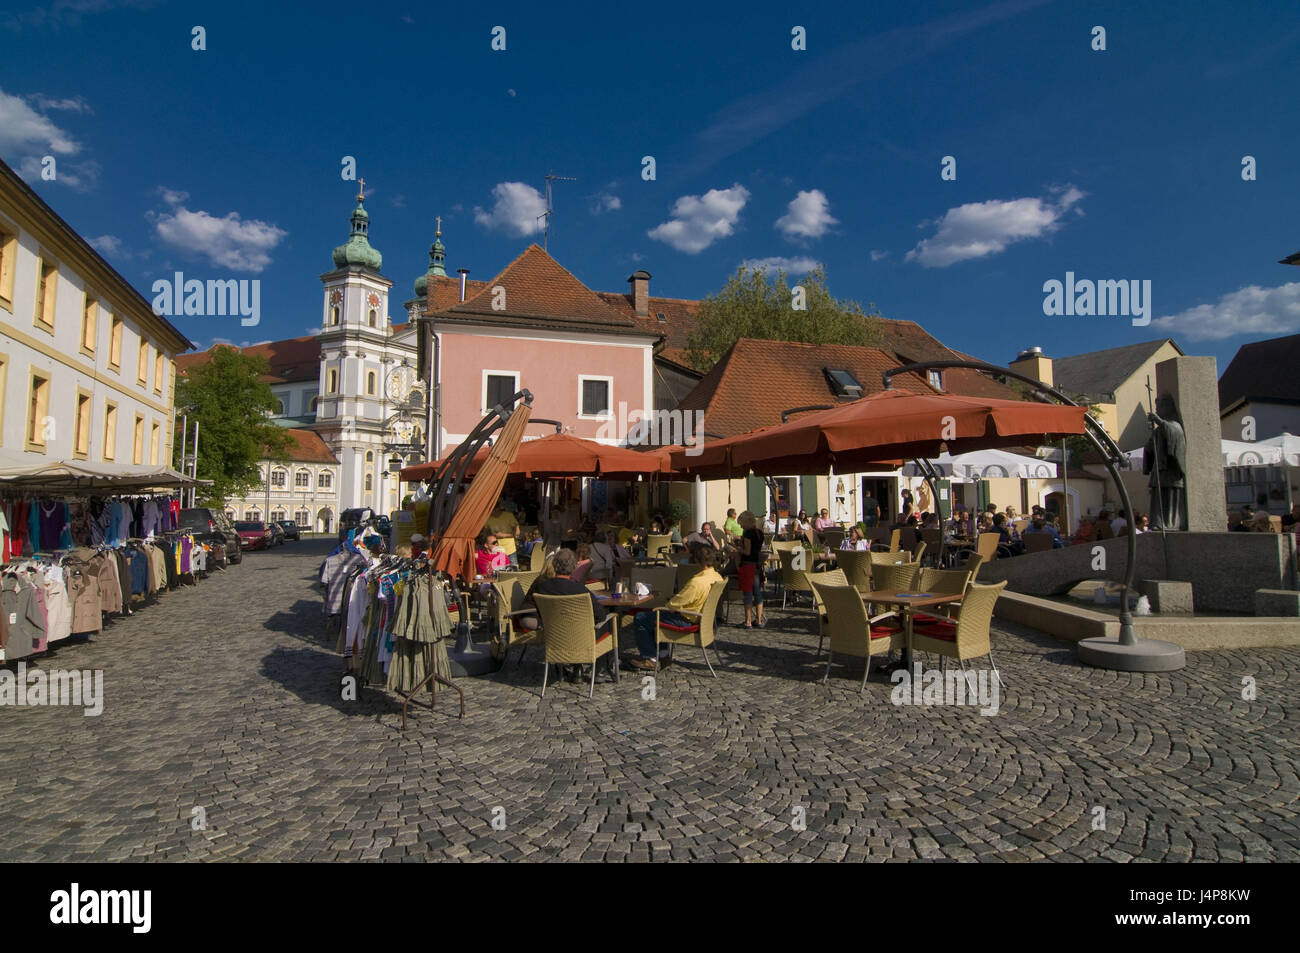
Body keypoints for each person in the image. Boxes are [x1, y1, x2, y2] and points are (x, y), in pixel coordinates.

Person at [629, 546, 725, 670]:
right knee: (657, 616)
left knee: (642, 617)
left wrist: (668, 602)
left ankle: (650, 658)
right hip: (702, 620)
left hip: (687, 620)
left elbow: (675, 604)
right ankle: (663, 655)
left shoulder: (697, 582)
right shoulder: (717, 577)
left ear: (697, 561)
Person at [528, 548, 614, 681]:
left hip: (555, 637)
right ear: (574, 568)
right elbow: (600, 616)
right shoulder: (580, 589)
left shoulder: (542, 588)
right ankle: (599, 671)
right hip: (581, 639)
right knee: (607, 622)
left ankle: (576, 668)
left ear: (554, 565)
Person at [736, 511, 766, 629]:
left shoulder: (748, 533)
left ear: (746, 522)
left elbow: (747, 551)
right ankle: (758, 620)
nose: (741, 526)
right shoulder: (759, 533)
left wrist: (738, 548)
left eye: (741, 523)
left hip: (747, 565)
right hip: (756, 565)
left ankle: (748, 621)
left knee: (748, 593)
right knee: (757, 593)